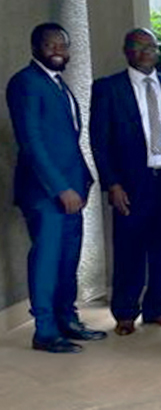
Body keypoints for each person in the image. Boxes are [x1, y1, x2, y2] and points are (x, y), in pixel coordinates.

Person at [90, 28, 161, 336]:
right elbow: (99, 142)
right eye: (138, 47)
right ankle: (125, 313)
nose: (145, 52)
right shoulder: (109, 88)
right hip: (131, 182)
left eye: (150, 46)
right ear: (127, 51)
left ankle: (157, 309)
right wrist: (112, 183)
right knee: (129, 247)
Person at [7, 23, 105, 353]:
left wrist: (81, 182)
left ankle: (68, 319)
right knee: (47, 258)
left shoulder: (58, 84)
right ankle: (45, 331)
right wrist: (60, 188)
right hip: (46, 193)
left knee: (68, 258)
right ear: (36, 47)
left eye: (63, 45)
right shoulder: (25, 83)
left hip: (73, 190)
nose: (58, 50)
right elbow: (31, 142)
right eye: (51, 45)